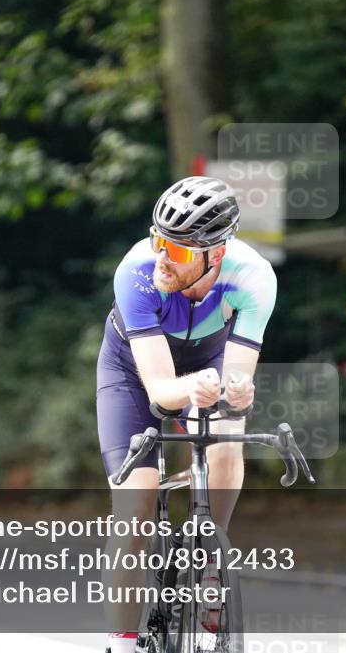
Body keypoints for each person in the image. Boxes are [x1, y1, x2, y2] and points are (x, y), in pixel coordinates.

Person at [96, 176, 277, 653]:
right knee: (135, 509)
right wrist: (189, 390)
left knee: (227, 438)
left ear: (214, 255)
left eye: (176, 252)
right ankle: (121, 640)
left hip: (207, 359)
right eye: (159, 241)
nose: (161, 258)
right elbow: (159, 389)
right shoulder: (136, 271)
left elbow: (237, 382)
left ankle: (210, 554)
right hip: (134, 368)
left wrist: (234, 393)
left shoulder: (254, 278)